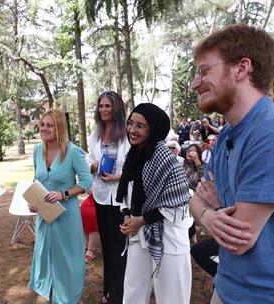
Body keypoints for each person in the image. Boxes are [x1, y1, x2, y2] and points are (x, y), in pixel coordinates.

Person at [190, 24, 274, 304]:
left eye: (203, 71)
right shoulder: (228, 133)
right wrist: (210, 215)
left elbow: (239, 239)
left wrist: (208, 212)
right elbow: (197, 200)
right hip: (226, 286)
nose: (195, 83)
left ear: (241, 68)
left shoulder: (268, 132)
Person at [117, 103, 192, 304]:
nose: (132, 130)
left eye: (140, 126)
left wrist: (142, 220)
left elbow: (178, 200)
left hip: (168, 235)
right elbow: (126, 193)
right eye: (130, 123)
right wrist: (126, 215)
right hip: (138, 232)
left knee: (172, 297)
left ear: (153, 129)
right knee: (133, 292)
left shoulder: (162, 156)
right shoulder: (132, 155)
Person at [28, 109, 92, 304]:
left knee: (67, 259)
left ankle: (68, 298)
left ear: (60, 127)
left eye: (50, 125)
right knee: (45, 257)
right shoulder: (37, 150)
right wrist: (34, 201)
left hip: (66, 215)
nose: (45, 129)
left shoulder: (72, 151)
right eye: (43, 125)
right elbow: (36, 179)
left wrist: (63, 194)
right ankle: (51, 296)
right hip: (44, 216)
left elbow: (87, 181)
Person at [87, 91, 130, 304]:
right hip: (101, 196)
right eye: (101, 106)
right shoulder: (95, 134)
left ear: (116, 108)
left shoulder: (126, 134)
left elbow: (134, 167)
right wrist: (93, 166)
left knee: (119, 247)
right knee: (107, 245)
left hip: (120, 199)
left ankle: (118, 294)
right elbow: (89, 160)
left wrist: (118, 177)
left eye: (108, 106)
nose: (103, 110)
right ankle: (108, 290)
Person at [79, 189, 101, 262]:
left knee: (93, 214)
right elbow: (88, 190)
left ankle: (91, 249)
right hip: (92, 198)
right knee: (84, 209)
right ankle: (85, 246)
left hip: (105, 201)